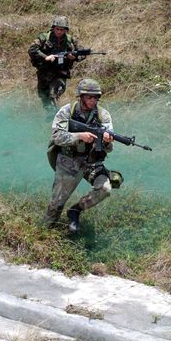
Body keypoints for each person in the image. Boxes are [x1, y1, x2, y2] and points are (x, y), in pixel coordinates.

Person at [45, 78, 117, 234]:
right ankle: (46, 233)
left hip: (91, 162)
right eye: (89, 97)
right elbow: (57, 136)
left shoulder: (103, 115)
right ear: (81, 96)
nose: (93, 100)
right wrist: (79, 136)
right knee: (56, 204)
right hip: (68, 162)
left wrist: (106, 142)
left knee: (105, 189)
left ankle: (76, 210)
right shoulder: (67, 111)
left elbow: (109, 148)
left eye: (96, 97)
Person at [28, 16, 84, 112]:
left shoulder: (70, 40)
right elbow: (32, 50)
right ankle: (50, 113)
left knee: (54, 93)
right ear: (53, 28)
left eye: (62, 30)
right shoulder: (44, 37)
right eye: (57, 29)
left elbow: (82, 53)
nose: (59, 32)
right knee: (43, 95)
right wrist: (45, 57)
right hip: (44, 71)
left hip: (61, 72)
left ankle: (56, 114)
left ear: (66, 30)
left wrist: (74, 57)